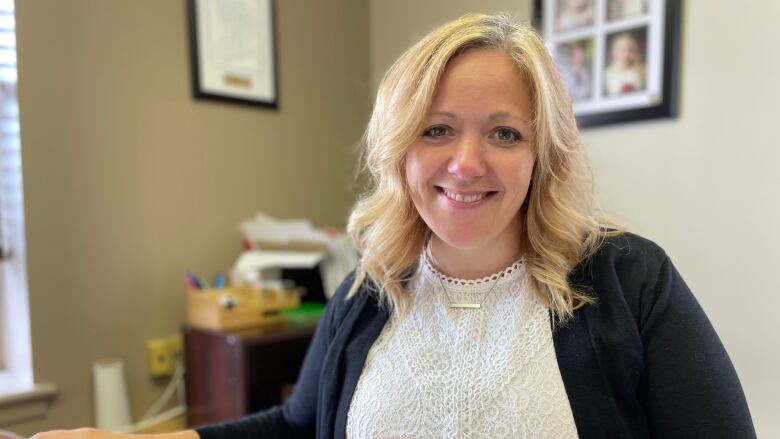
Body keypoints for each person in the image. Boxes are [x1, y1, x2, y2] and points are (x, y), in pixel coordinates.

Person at [34, 12, 755, 439]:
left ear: (543, 155)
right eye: (437, 129)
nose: (467, 163)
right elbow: (294, 428)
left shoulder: (630, 280)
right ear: (399, 149)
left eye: (504, 133)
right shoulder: (368, 288)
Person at [604, 31, 646, 96]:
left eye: (630, 50)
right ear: (614, 52)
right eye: (622, 49)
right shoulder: (606, 75)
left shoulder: (642, 70)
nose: (626, 54)